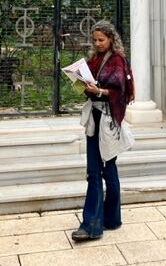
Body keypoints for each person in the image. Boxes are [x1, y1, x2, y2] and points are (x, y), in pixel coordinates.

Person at [71, 20, 134, 242]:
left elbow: (120, 92)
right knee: (102, 170)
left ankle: (91, 227)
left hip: (107, 120)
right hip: (96, 118)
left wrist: (99, 90)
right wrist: (81, 84)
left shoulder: (117, 61)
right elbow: (90, 88)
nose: (97, 43)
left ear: (111, 39)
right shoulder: (95, 60)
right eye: (95, 40)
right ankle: (111, 219)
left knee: (100, 171)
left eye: (101, 39)